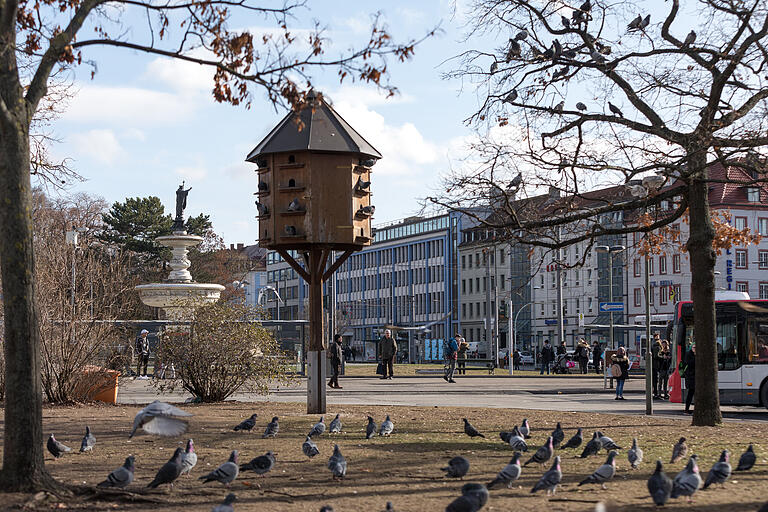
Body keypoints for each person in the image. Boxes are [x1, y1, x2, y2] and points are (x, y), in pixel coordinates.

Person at [683, 343, 696, 414]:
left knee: (693, 394)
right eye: (694, 347)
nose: (695, 349)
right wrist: (695, 356)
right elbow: (689, 363)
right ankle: (686, 409)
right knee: (690, 394)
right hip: (691, 377)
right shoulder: (688, 354)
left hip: (695, 377)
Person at [651, 333, 663, 399]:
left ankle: (655, 393)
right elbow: (656, 356)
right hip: (656, 365)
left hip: (653, 365)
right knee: (656, 380)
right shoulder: (657, 345)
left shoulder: (653, 343)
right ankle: (656, 394)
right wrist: (663, 357)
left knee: (654, 380)